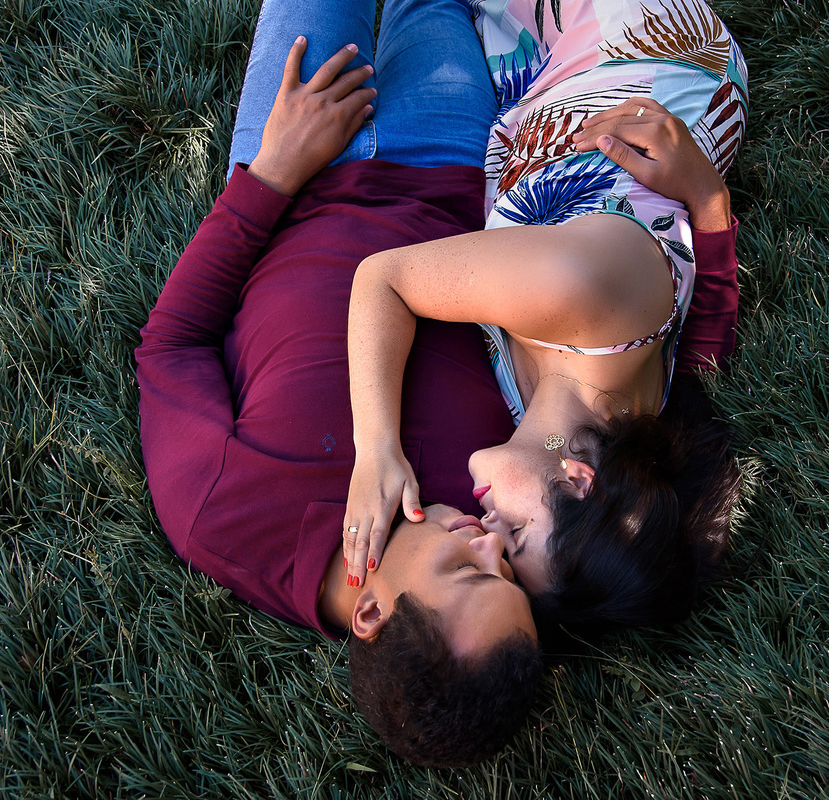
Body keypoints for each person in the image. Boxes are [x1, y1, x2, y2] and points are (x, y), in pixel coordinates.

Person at [136, 0, 545, 767]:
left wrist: (271, 173)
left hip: (296, 163)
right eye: (510, 576)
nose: (493, 544)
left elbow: (171, 345)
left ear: (368, 610)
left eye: (468, 571)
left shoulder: (221, 521)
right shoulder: (498, 488)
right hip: (444, 161)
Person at [343, 0, 746, 633]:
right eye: (518, 538)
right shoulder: (578, 297)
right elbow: (382, 279)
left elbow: (705, 350)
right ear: (580, 480)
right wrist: (376, 451)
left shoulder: (615, 418)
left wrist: (708, 199)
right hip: (625, 57)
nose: (489, 537)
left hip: (539, 113)